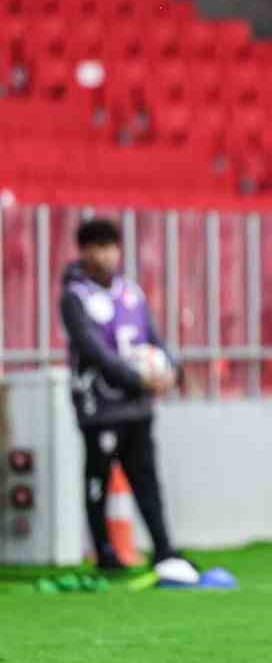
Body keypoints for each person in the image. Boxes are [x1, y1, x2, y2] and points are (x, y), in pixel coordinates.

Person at [59, 218, 188, 577]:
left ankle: (164, 549)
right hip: (99, 406)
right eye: (98, 248)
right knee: (98, 475)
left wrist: (170, 370)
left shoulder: (131, 292)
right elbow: (94, 351)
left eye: (111, 247)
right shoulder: (75, 297)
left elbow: (153, 338)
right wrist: (138, 379)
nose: (107, 256)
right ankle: (104, 551)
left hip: (137, 405)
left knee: (146, 476)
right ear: (83, 252)